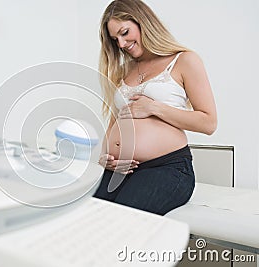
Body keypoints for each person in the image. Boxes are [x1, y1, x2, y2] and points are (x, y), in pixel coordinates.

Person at [93, 0, 217, 215]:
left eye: (125, 32)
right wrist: (105, 156)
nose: (121, 44)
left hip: (165, 168)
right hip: (119, 171)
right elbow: (117, 118)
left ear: (143, 22)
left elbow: (209, 122)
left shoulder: (184, 61)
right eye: (115, 39)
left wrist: (154, 108)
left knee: (118, 220)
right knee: (80, 214)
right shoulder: (124, 70)